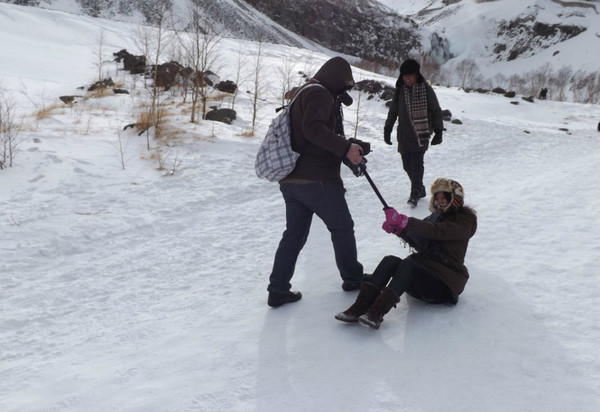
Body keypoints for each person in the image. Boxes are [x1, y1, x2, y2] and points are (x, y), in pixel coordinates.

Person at [267, 56, 368, 308]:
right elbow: (313, 129)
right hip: (317, 180)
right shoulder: (320, 94)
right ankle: (353, 278)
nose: (342, 94)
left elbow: (314, 135)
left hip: (292, 180)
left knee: (294, 235)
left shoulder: (303, 94)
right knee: (342, 227)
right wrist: (345, 147)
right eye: (343, 87)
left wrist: (349, 151)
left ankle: (278, 289)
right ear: (336, 80)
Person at [335, 178, 477, 329]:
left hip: (444, 286)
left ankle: (376, 314)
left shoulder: (464, 221)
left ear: (455, 199)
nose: (439, 201)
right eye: (437, 197)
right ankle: (358, 308)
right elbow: (421, 241)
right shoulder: (434, 218)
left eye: (444, 197)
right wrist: (401, 230)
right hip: (424, 279)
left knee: (410, 263)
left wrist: (406, 222)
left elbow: (436, 231)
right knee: (390, 260)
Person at [384, 59, 444, 207]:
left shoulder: (426, 89)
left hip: (420, 134)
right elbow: (393, 111)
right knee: (406, 165)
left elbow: (436, 110)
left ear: (417, 75)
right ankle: (420, 188)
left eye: (410, 75)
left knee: (417, 164)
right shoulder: (400, 91)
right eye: (404, 75)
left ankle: (415, 192)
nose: (407, 78)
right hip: (404, 135)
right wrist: (387, 128)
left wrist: (438, 131)